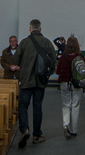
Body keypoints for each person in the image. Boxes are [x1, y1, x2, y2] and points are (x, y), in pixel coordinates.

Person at [14, 19, 56, 147]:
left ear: (30, 29)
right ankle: (37, 135)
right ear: (40, 29)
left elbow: (15, 59)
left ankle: (24, 129)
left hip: (26, 80)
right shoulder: (46, 42)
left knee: (23, 106)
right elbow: (53, 59)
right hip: (40, 80)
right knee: (37, 107)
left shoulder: (24, 42)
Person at [56, 35, 82, 138]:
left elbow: (58, 71)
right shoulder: (80, 57)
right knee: (75, 106)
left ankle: (66, 125)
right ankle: (74, 130)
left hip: (64, 83)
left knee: (66, 105)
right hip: (76, 84)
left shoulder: (63, 57)